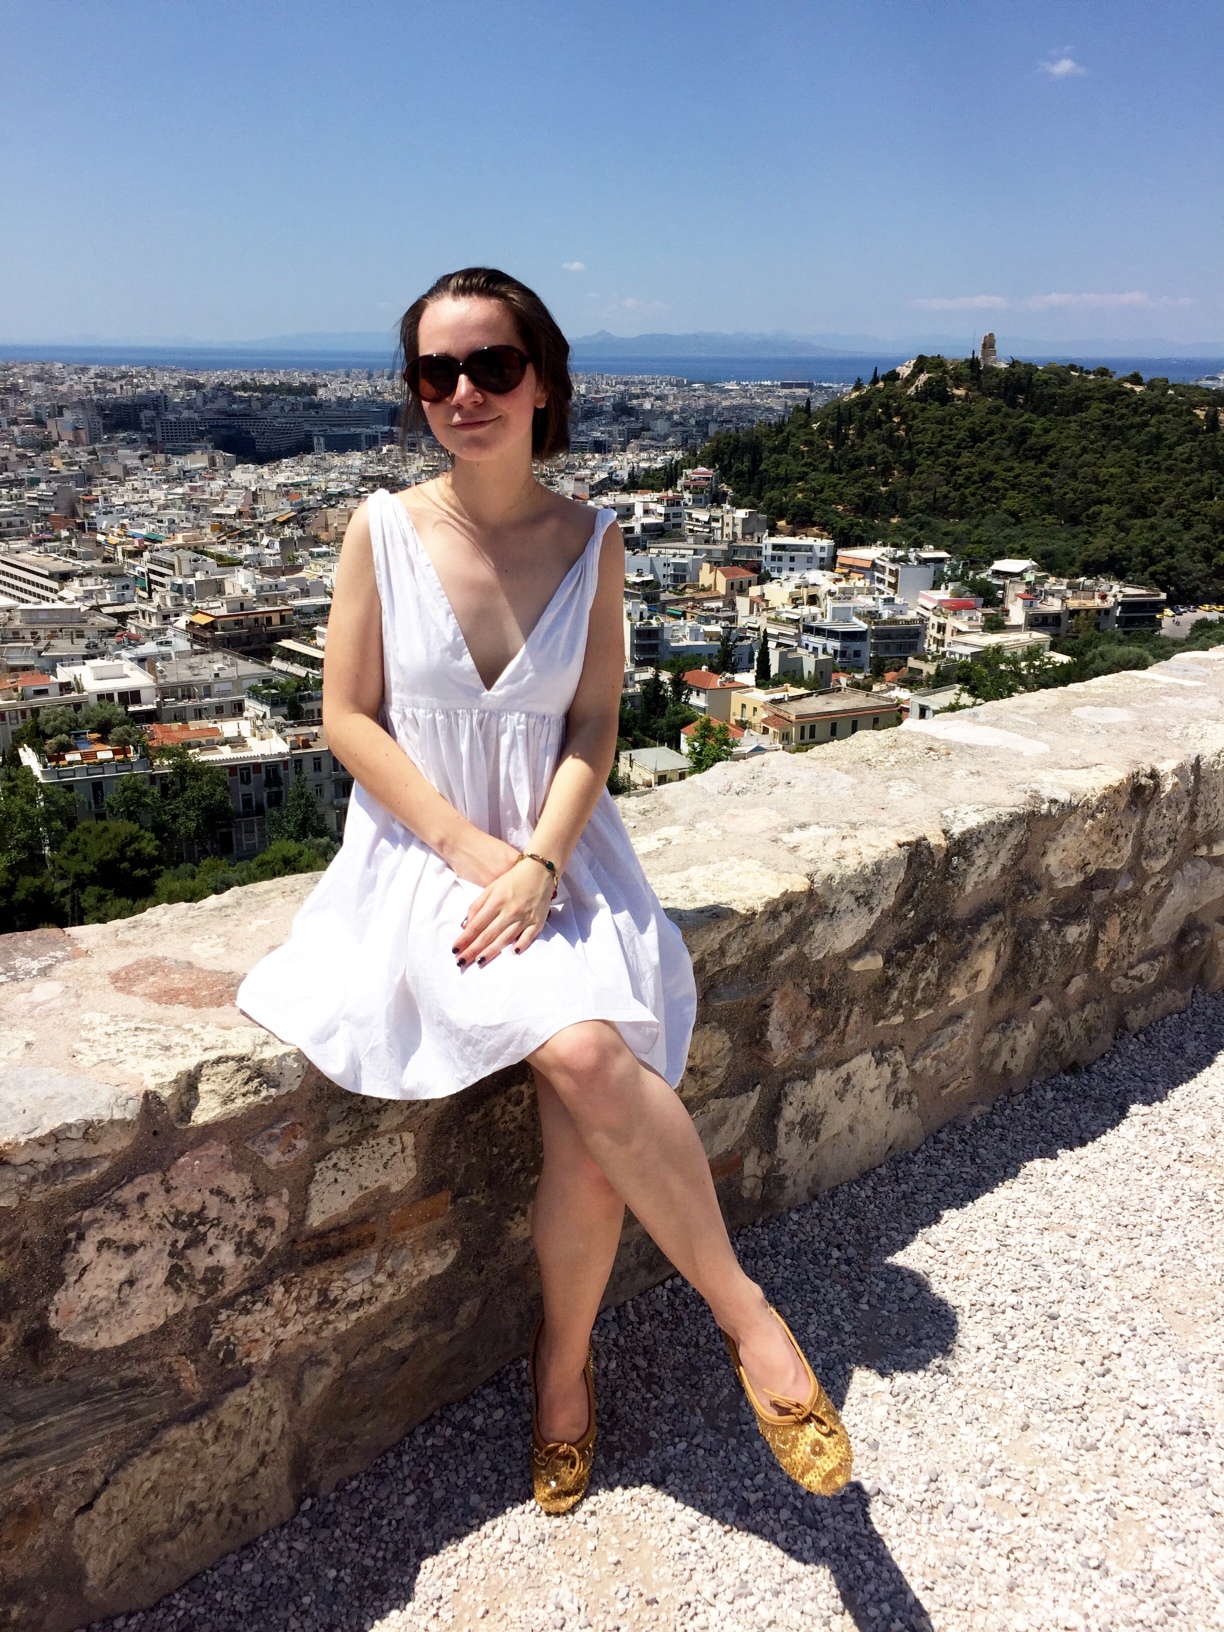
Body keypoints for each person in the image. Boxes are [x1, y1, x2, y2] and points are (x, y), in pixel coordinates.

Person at [237, 267, 851, 1514]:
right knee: (583, 1053)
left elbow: (593, 723)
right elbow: (346, 717)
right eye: (437, 372)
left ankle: (563, 1366)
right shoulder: (380, 529)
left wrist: (541, 861)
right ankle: (745, 1318)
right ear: (416, 393)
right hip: (424, 860)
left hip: (563, 856)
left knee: (587, 1119)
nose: (464, 391)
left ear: (544, 383)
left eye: (493, 366)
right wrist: (473, 852)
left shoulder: (593, 541)